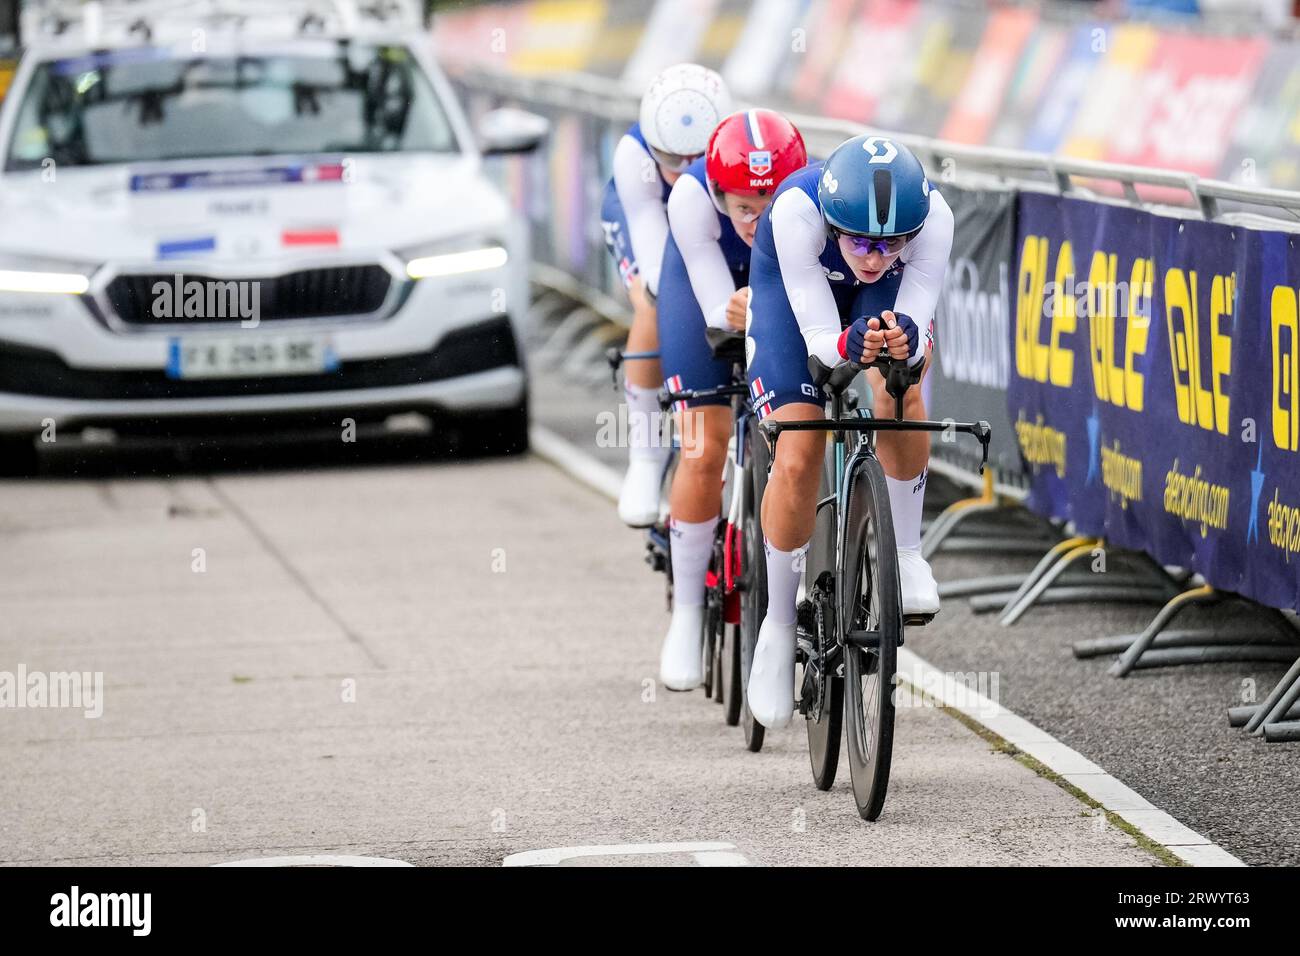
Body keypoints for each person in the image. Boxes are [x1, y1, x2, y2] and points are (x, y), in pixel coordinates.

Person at [743, 135, 954, 728]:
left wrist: (903, 343)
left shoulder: (935, 218)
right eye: (860, 240)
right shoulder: (796, 212)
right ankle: (779, 625)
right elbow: (818, 342)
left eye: (891, 244)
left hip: (879, 305)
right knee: (801, 446)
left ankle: (908, 553)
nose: (872, 255)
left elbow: (916, 308)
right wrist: (844, 342)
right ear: (834, 223)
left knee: (903, 387)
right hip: (794, 305)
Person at [654, 109, 807, 690]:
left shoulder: (809, 202)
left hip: (777, 283)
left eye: (765, 207)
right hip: (706, 291)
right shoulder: (691, 199)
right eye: (741, 206)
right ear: (718, 193)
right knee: (703, 442)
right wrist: (738, 311)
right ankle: (688, 613)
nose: (753, 219)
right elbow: (719, 310)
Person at [599, 63, 732, 527]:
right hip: (644, 210)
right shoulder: (633, 157)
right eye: (668, 159)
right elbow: (657, 270)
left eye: (693, 159)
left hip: (712, 203)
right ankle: (645, 457)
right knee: (653, 302)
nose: (680, 170)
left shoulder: (736, 147)